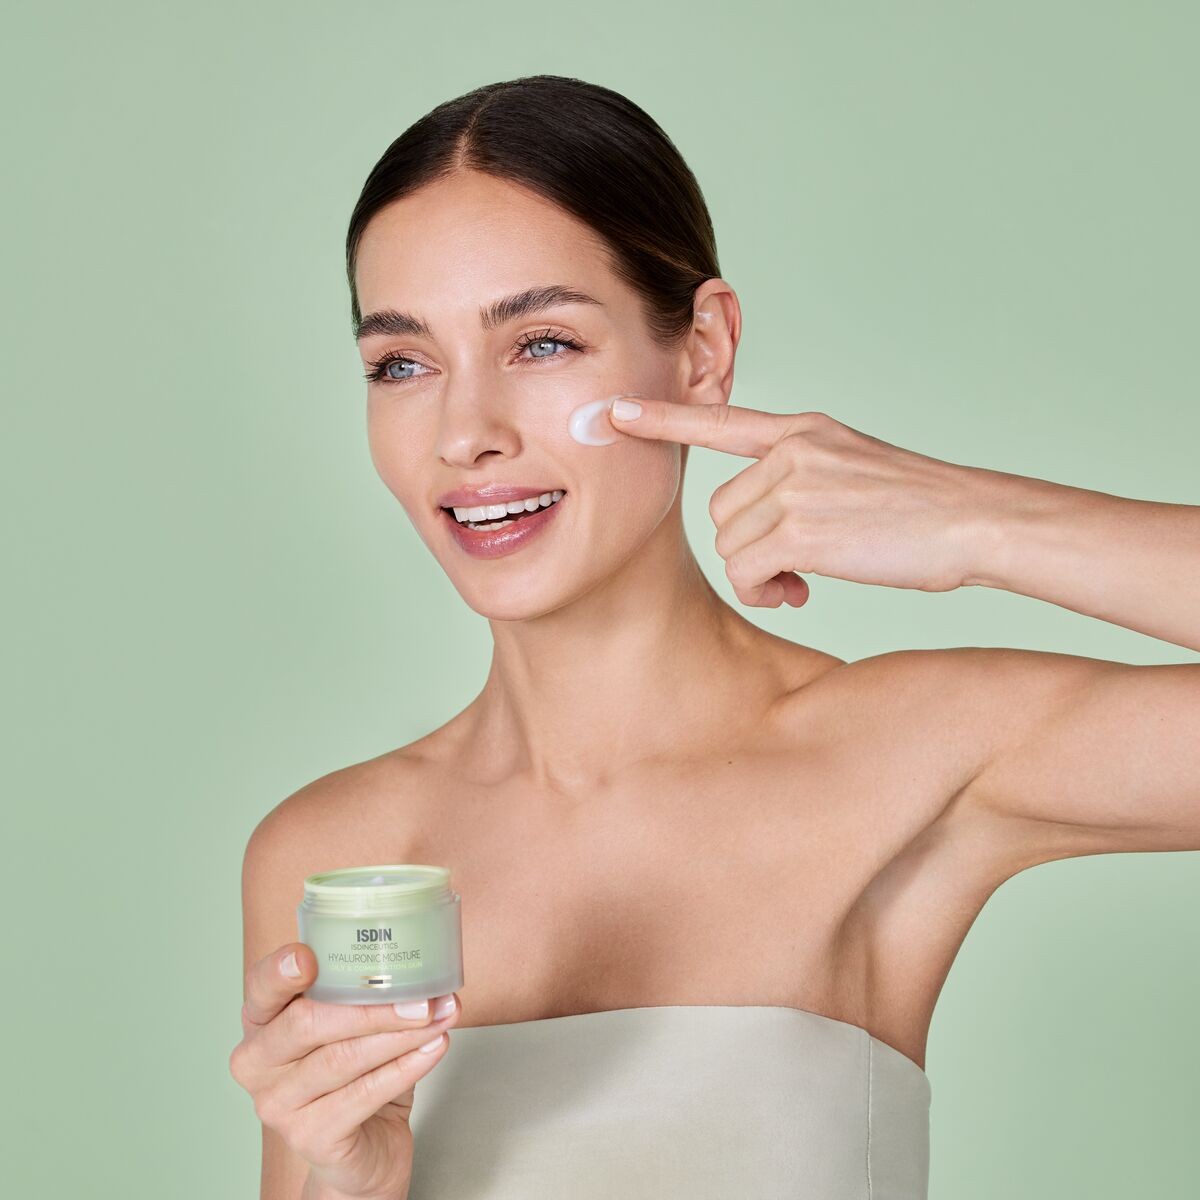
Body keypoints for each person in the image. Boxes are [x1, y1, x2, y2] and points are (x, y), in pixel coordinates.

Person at [227, 74, 1200, 1200]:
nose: (465, 434)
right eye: (402, 364)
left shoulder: (906, 752)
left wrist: (976, 521)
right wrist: (354, 1183)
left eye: (541, 343)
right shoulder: (338, 855)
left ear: (701, 349)